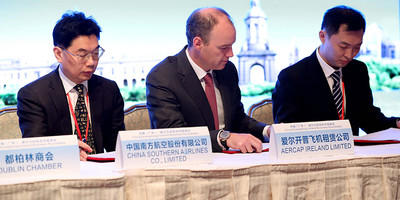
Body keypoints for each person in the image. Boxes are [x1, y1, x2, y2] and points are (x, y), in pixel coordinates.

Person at [146, 7, 269, 153]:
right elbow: (173, 135)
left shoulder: (227, 70)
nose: (231, 54)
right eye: (224, 47)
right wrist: (224, 138)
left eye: (232, 45)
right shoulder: (163, 77)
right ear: (198, 43)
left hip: (231, 160)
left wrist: (267, 131)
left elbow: (237, 119)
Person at [272, 5, 400, 135]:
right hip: (314, 153)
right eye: (343, 46)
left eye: (357, 47)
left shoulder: (358, 70)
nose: (350, 55)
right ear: (322, 36)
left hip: (354, 153)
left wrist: (395, 123)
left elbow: (368, 118)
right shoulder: (292, 77)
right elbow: (286, 132)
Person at [17, 11, 125, 161]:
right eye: (82, 55)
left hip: (103, 172)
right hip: (60, 174)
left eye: (95, 53)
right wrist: (65, 151)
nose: (91, 62)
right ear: (59, 54)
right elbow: (35, 148)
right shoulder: (34, 95)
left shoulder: (109, 89)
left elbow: (118, 145)